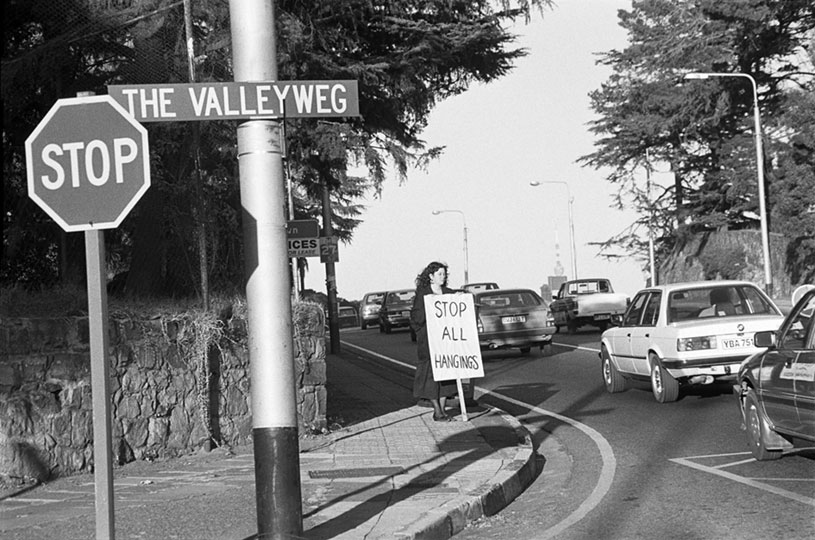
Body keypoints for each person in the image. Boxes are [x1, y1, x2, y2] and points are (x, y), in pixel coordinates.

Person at [410, 261, 458, 421]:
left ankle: (442, 410)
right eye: (439, 274)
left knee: (446, 376)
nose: (443, 277)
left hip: (446, 343)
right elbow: (416, 318)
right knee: (430, 376)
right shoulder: (422, 294)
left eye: (444, 274)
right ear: (431, 276)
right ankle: (437, 411)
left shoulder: (449, 293)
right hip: (429, 343)